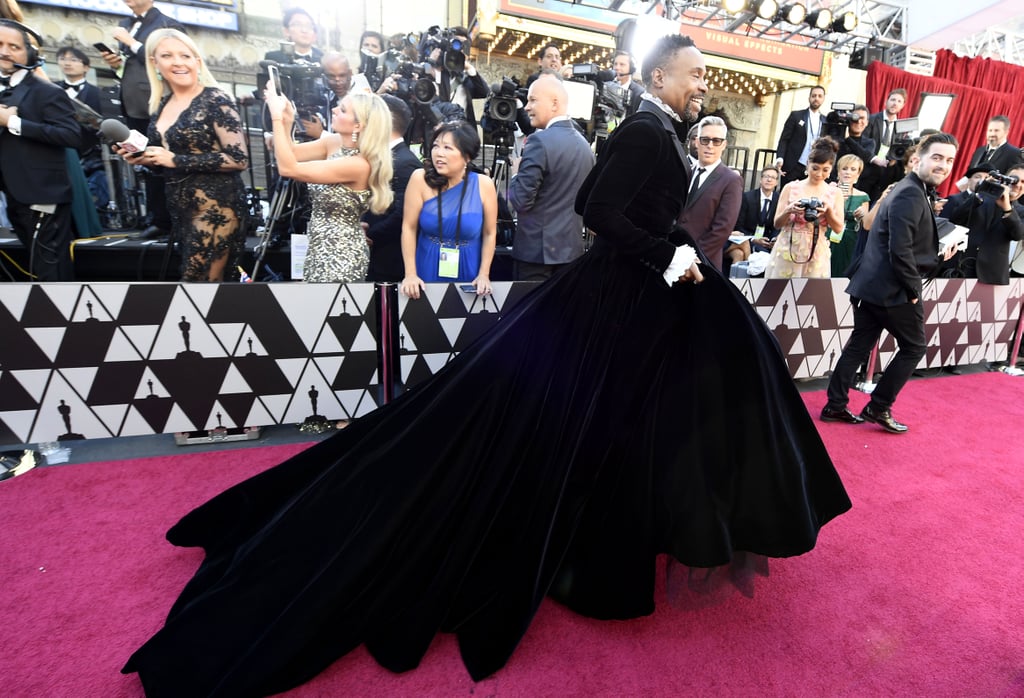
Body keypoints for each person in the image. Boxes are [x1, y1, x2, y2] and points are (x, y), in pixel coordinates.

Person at [121, 34, 850, 697]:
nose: (705, 83)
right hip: (611, 301)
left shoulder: (663, 130)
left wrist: (671, 247)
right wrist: (668, 251)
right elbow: (600, 209)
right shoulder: (645, 129)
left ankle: (616, 535)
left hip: (630, 305)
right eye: (695, 73)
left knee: (605, 424)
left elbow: (631, 211)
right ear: (661, 72)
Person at [822, 133, 960, 433]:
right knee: (914, 347)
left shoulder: (911, 189)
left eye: (949, 160)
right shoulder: (910, 192)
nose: (943, 165)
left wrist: (938, 256)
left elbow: (898, 240)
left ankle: (835, 404)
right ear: (919, 157)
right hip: (892, 289)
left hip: (871, 285)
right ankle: (879, 405)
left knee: (859, 346)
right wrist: (913, 291)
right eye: (937, 157)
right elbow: (899, 250)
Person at [122, 29, 247, 282]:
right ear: (154, 63)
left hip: (217, 208)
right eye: (167, 55)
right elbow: (166, 161)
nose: (178, 62)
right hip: (181, 211)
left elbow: (238, 158)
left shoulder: (216, 99)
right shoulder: (161, 105)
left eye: (185, 55)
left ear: (197, 62)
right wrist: (147, 160)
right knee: (198, 286)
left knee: (199, 285)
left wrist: (174, 159)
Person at [266, 76, 393, 283]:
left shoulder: (358, 164)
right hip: (318, 245)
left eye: (342, 110)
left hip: (340, 253)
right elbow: (290, 153)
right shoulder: (333, 143)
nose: (334, 110)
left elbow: (287, 168)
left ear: (358, 126)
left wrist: (276, 118)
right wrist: (288, 121)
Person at [0, 20, 80, 281]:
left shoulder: (47, 91)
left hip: (41, 192)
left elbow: (71, 135)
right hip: (11, 193)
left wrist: (12, 122)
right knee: (33, 264)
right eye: (0, 45)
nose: (5, 52)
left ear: (29, 53)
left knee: (49, 268)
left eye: (14, 46)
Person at [98, 0, 183, 238]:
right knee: (145, 160)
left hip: (158, 102)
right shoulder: (126, 23)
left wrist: (130, 42)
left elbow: (168, 58)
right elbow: (131, 66)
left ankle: (171, 219)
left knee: (163, 158)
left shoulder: (167, 23)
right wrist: (116, 64)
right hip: (131, 102)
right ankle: (157, 219)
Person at [508, 74, 594, 281]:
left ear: (554, 103)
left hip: (535, 257)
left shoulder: (539, 142)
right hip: (571, 254)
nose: (527, 107)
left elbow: (520, 201)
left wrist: (516, 174)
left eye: (533, 100)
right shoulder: (585, 147)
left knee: (527, 313)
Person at [400, 120, 497, 297]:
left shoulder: (484, 185)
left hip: (470, 264)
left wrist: (484, 274)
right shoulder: (419, 179)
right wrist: (410, 274)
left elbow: (490, 233)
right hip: (428, 261)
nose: (439, 154)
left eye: (448, 148)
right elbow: (408, 227)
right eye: (436, 146)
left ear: (467, 156)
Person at [765, 136, 844, 279]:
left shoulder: (835, 192)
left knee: (810, 297)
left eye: (825, 170)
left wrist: (828, 212)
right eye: (815, 168)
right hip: (787, 247)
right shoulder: (790, 187)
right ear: (807, 164)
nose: (819, 174)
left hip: (817, 251)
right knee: (779, 294)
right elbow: (777, 224)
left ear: (831, 169)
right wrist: (789, 210)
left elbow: (838, 228)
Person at [364, 95, 423, 283]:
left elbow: (402, 215)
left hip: (389, 261)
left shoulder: (406, 163)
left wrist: (369, 236)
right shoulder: (385, 157)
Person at [676, 115, 743, 271]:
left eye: (716, 141)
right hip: (674, 257)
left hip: (703, 264)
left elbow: (722, 229)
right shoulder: (686, 172)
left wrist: (693, 259)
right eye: (705, 140)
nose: (710, 146)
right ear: (697, 142)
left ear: (724, 145)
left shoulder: (731, 180)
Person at [940, 162, 1024, 284]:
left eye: (1023, 182)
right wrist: (982, 191)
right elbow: (955, 219)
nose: (1017, 185)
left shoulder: (1021, 211)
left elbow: (1018, 234)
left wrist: (1007, 208)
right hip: (961, 268)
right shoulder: (981, 199)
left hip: (992, 275)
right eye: (1014, 179)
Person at [774, 85, 825, 185]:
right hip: (793, 165)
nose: (816, 98)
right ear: (809, 98)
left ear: (823, 99)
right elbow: (784, 139)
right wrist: (780, 158)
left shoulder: (825, 120)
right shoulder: (796, 116)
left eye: (820, 96)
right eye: (814, 96)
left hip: (813, 168)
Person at [831, 154, 870, 277]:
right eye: (845, 168)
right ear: (838, 172)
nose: (848, 172)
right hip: (828, 238)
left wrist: (862, 215)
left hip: (851, 240)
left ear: (858, 175)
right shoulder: (828, 191)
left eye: (853, 169)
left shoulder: (863, 196)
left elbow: (866, 224)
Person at [733, 166, 781, 256]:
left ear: (776, 182)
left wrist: (773, 239)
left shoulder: (778, 199)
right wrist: (754, 239)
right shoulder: (747, 197)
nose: (769, 180)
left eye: (773, 178)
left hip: (768, 241)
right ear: (761, 179)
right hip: (749, 239)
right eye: (766, 177)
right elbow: (739, 225)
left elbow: (777, 226)